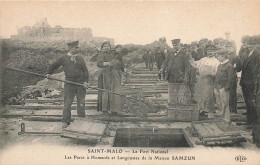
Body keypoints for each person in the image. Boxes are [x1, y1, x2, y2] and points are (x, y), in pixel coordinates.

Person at [47, 41, 89, 128]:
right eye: (76, 47)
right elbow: (53, 65)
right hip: (69, 84)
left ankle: (81, 119)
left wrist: (85, 82)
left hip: (80, 84)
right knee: (67, 103)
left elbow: (85, 71)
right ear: (70, 48)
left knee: (81, 103)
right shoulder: (63, 58)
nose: (78, 49)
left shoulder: (80, 58)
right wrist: (49, 73)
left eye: (78, 47)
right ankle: (66, 121)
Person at [189, 45, 220, 119]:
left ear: (215, 52)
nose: (210, 53)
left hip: (209, 81)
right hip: (201, 80)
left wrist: (212, 74)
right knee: (201, 96)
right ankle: (202, 110)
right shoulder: (203, 59)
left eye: (212, 51)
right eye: (208, 51)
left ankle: (210, 112)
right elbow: (195, 65)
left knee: (209, 96)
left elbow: (217, 73)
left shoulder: (216, 61)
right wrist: (191, 59)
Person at [97, 41, 124, 115]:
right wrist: (107, 63)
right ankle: (105, 109)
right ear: (102, 48)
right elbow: (99, 63)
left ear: (110, 47)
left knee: (114, 91)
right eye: (105, 46)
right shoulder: (101, 55)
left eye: (108, 46)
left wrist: (116, 63)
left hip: (113, 74)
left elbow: (118, 63)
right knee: (106, 91)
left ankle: (113, 109)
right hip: (105, 75)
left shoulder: (112, 54)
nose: (107, 47)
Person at [238, 36, 258, 125]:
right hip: (246, 82)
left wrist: (255, 85)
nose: (250, 46)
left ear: (257, 45)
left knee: (252, 103)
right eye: (249, 44)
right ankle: (250, 120)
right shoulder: (248, 53)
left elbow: (256, 71)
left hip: (252, 83)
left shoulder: (257, 55)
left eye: (252, 44)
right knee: (248, 102)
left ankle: (253, 123)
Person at [214, 49, 236, 123]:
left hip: (224, 88)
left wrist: (226, 88)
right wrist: (216, 87)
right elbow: (217, 76)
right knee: (220, 103)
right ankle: (222, 117)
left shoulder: (229, 66)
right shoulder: (220, 65)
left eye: (218, 56)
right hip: (218, 87)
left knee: (226, 104)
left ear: (223, 56)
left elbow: (231, 79)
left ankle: (227, 119)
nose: (217, 58)